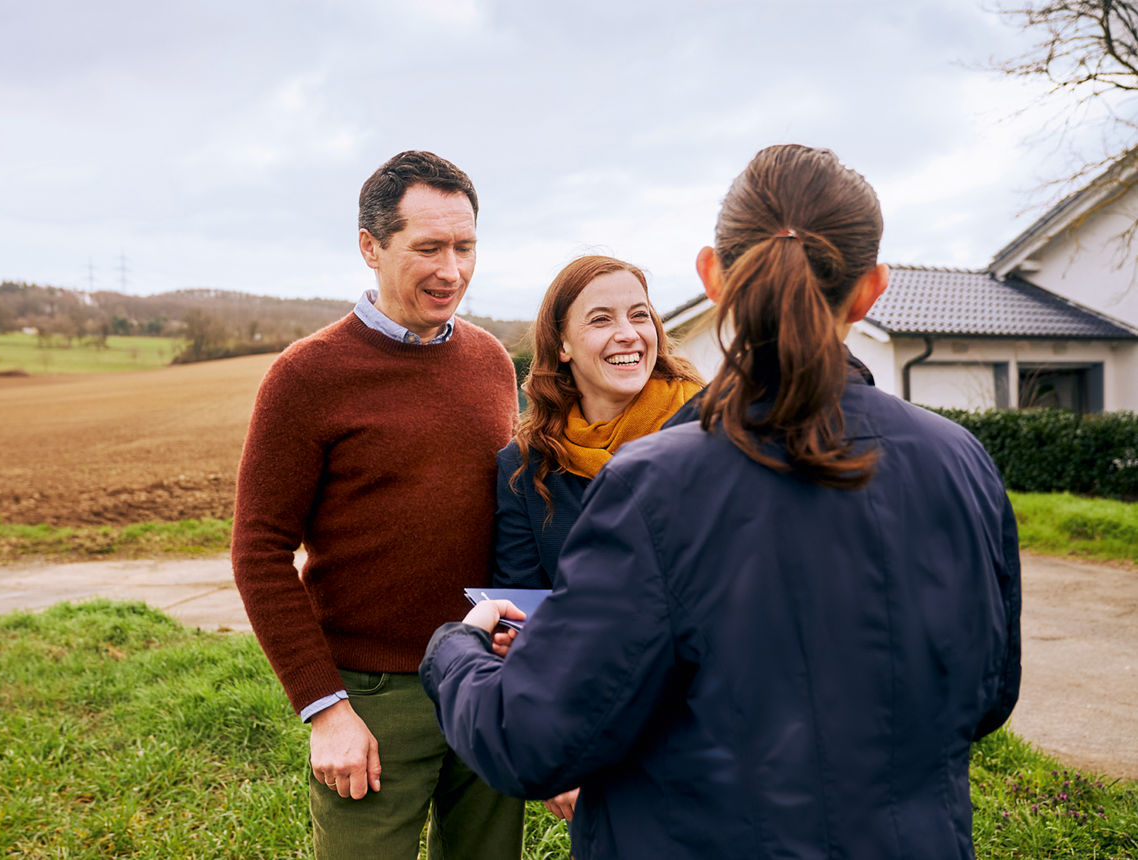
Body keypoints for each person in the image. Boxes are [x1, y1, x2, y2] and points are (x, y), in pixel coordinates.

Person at [420, 144, 1022, 859]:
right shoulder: (962, 462)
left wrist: (454, 650)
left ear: (713, 278)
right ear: (871, 290)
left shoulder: (652, 485)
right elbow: (987, 697)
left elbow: (530, 739)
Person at [231, 150, 523, 859]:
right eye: (428, 248)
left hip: (485, 674)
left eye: (465, 246)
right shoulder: (307, 376)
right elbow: (260, 550)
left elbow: (511, 517)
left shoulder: (491, 361)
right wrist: (325, 708)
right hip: (371, 697)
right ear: (370, 246)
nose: (451, 269)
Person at [494, 255, 703, 591]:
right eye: (601, 319)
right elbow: (519, 602)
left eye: (639, 316)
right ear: (562, 343)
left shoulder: (709, 432)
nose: (627, 334)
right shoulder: (524, 464)